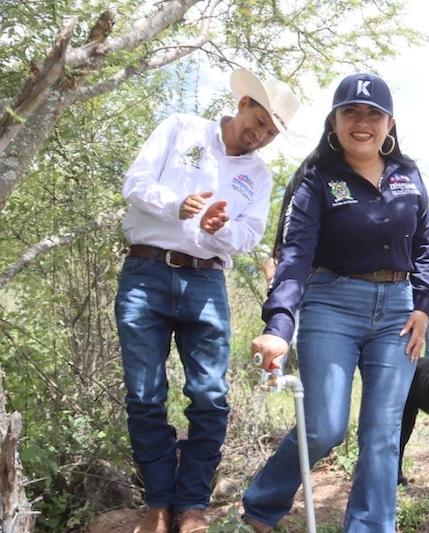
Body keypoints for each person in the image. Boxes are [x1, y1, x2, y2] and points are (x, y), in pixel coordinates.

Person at [242, 72, 429, 533]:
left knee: (383, 435)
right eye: (351, 111)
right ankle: (261, 506)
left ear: (390, 123)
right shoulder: (316, 178)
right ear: (334, 121)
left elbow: (425, 246)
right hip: (332, 305)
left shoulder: (408, 175)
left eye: (374, 114)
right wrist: (278, 327)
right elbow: (293, 256)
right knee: (324, 428)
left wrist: (424, 306)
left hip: (398, 313)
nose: (362, 122)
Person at [114, 69, 300, 533]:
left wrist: (222, 229)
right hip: (146, 272)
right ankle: (158, 504)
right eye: (258, 121)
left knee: (210, 396)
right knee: (144, 394)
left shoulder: (258, 174)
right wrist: (177, 205)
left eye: (271, 133)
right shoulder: (181, 128)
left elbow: (251, 233)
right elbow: (134, 182)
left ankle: (193, 504)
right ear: (242, 106)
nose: (260, 135)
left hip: (206, 283)